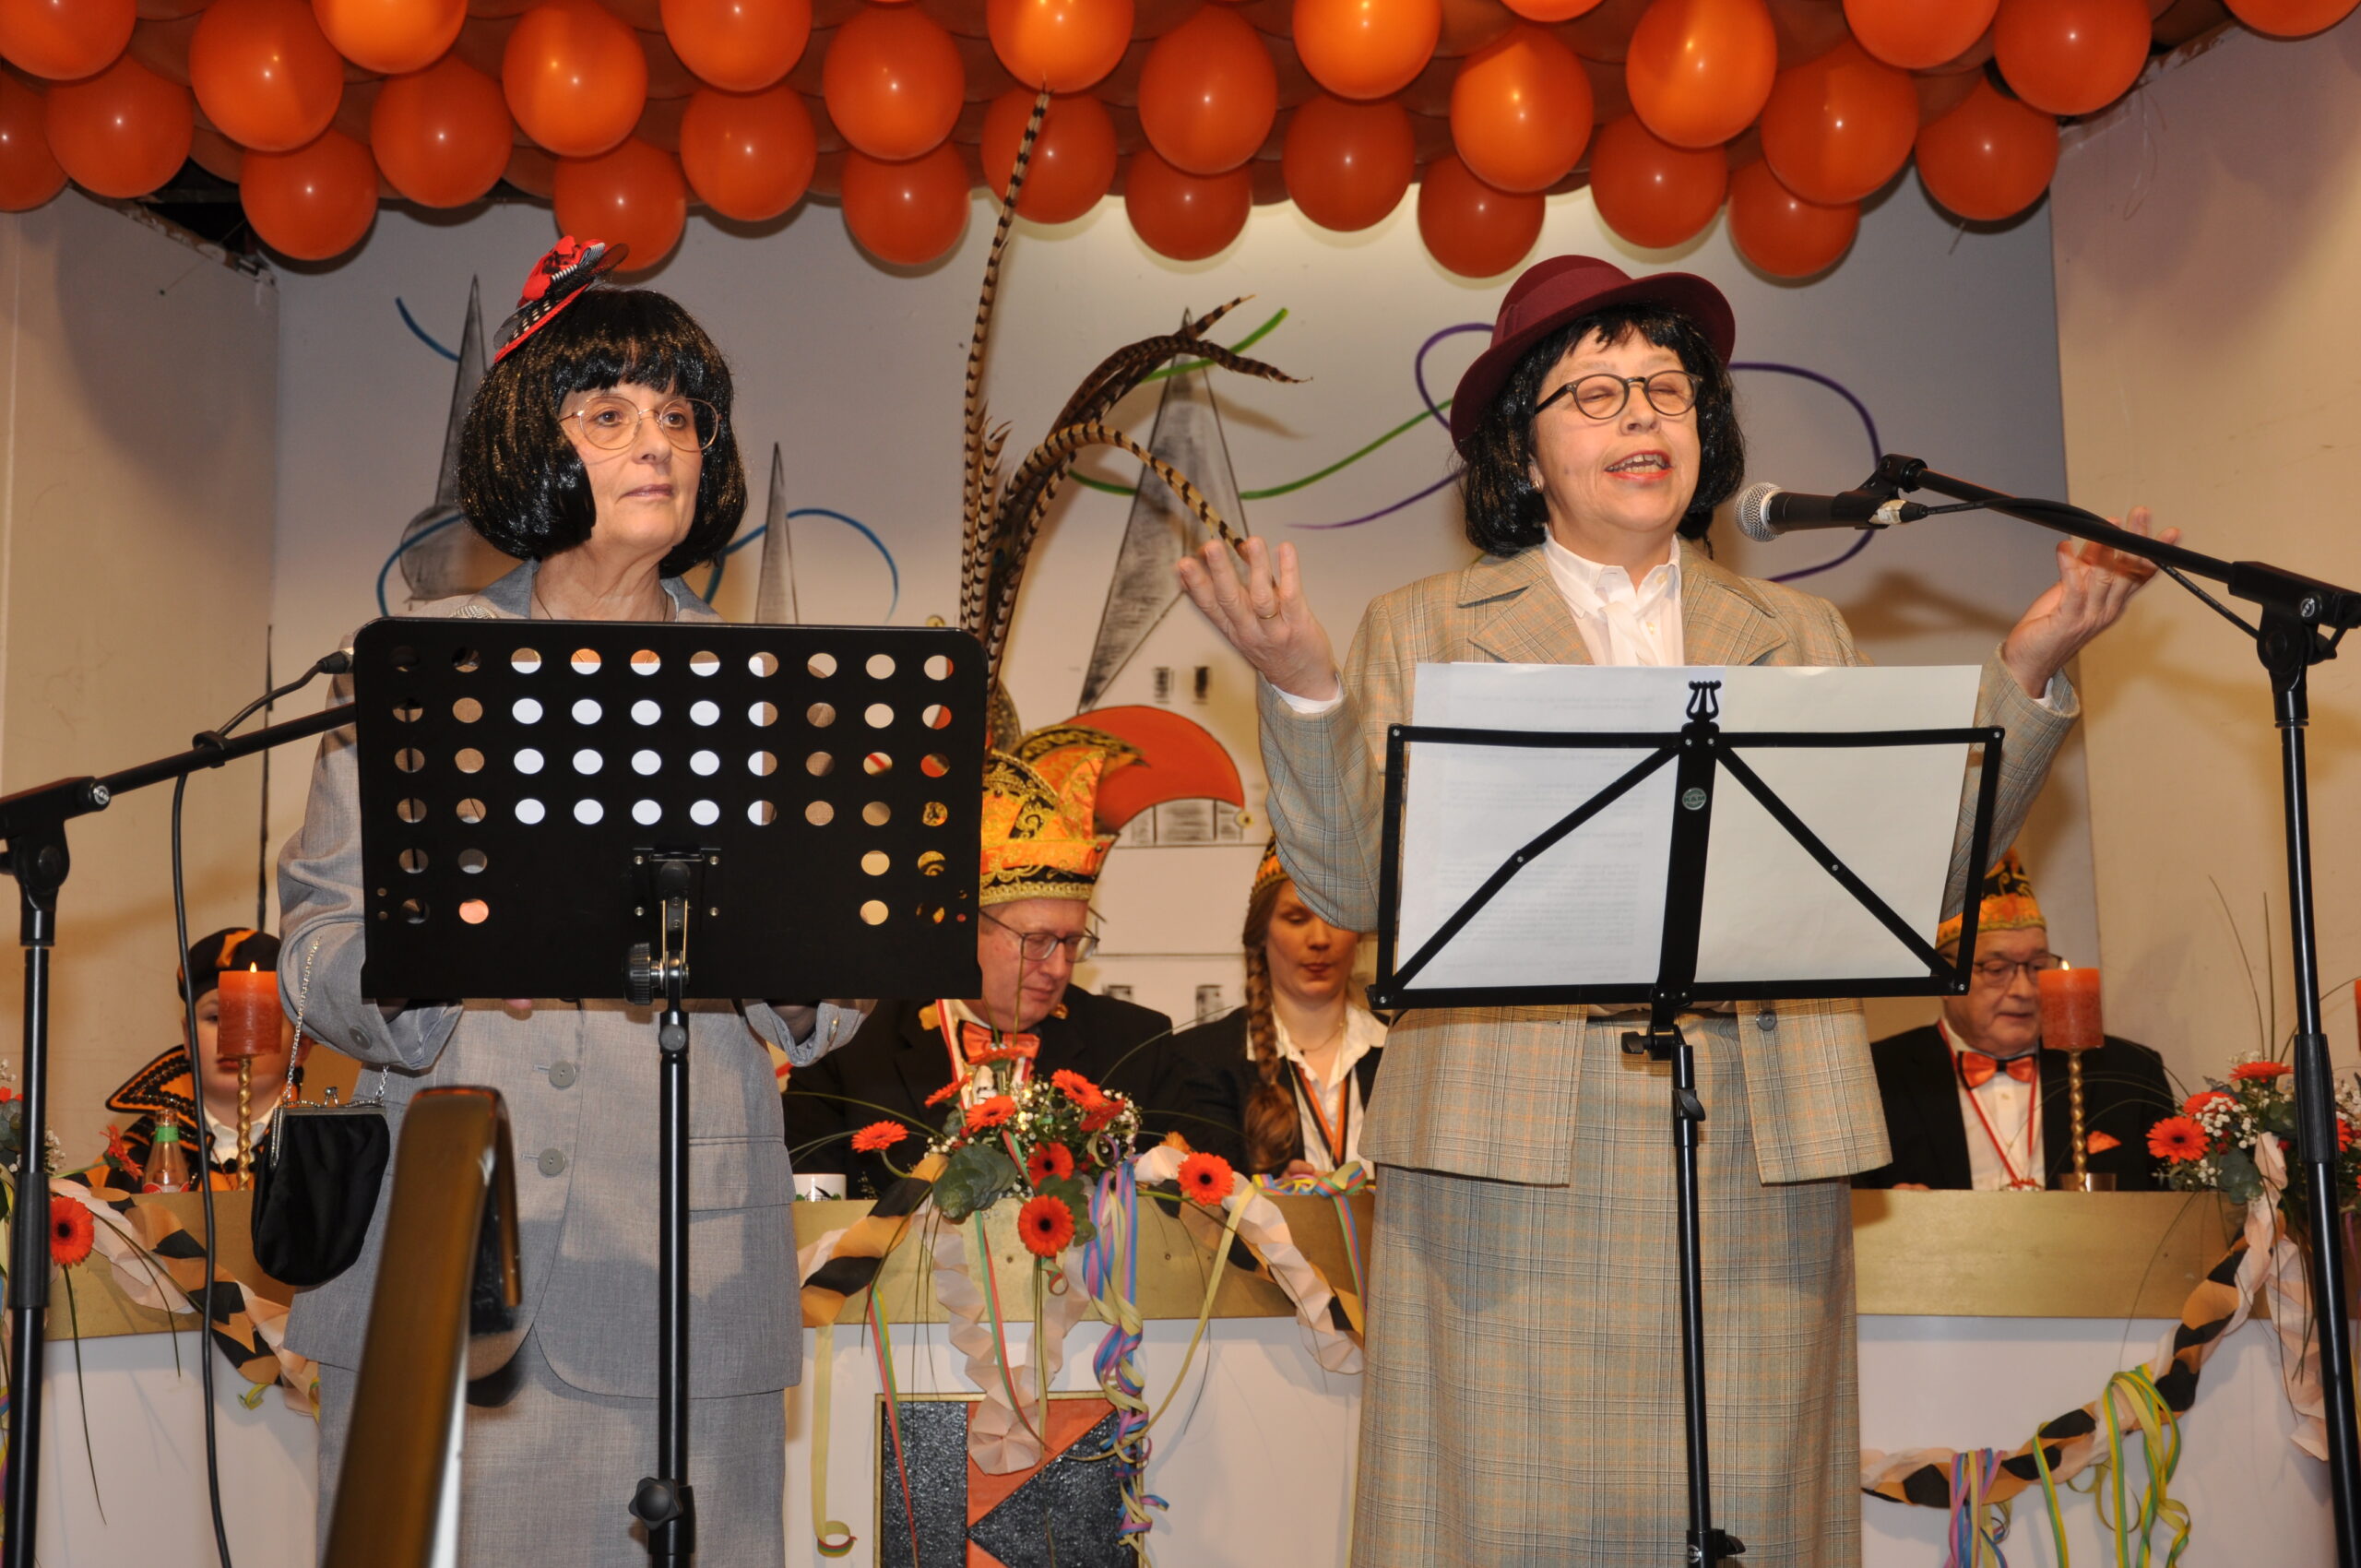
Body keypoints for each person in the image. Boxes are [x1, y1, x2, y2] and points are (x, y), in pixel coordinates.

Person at [1177, 254, 2177, 1566]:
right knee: (1504, 1526)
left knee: (1751, 1517)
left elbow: (1907, 877)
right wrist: (1306, 689)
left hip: (1754, 1142)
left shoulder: (1797, 631)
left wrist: (2028, 668)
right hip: (1505, 1153)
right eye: (1596, 392)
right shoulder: (1425, 627)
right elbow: (1355, 888)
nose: (1643, 414)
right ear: (1522, 450)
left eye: (1667, 387)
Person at [277, 237, 869, 1565]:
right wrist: (441, 961)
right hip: (439, 1263)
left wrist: (779, 958)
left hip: (688, 1286)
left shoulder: (770, 696)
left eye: (680, 417)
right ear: (529, 448)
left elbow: (827, 998)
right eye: (609, 415)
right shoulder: (415, 670)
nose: (657, 442)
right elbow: (316, 948)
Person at [786, 730, 1240, 1193]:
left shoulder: (1134, 1046)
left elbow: (1197, 1201)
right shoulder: (850, 1044)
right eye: (1037, 941)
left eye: (1071, 942)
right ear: (963, 929)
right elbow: (805, 1211)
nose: (1059, 967)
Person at [1854, 850, 2172, 1191]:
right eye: (1996, 969)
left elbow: (2175, 1201)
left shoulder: (2127, 1071)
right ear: (1944, 978)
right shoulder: (1876, 1075)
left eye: (2037, 967)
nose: (2024, 990)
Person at [1180, 841, 1384, 1179]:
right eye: (1297, 919)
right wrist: (1273, 1199)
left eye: (1336, 918)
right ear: (1261, 933)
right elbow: (1210, 1196)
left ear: (1359, 934)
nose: (1319, 939)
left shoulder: (1402, 1051)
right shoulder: (1203, 1059)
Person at [91, 926, 307, 1189]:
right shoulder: (130, 1163)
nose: (232, 1035)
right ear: (188, 1036)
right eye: (215, 1018)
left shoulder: (322, 1157)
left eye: (256, 1018)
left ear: (301, 1045)